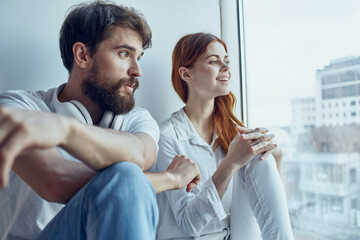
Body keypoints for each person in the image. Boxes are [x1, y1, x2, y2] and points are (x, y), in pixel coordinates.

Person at [0, 2, 201, 240]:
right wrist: (169, 179)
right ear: (83, 55)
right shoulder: (19, 107)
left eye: (139, 57)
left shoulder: (137, 119)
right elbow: (55, 180)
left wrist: (65, 131)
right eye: (124, 54)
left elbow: (139, 154)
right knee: (126, 175)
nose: (137, 70)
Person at [154, 33, 294, 240]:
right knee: (248, 152)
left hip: (236, 235)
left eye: (226, 61)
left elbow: (268, 208)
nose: (226, 68)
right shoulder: (166, 136)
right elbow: (189, 224)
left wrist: (277, 155)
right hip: (191, 237)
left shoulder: (232, 132)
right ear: (186, 74)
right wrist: (230, 163)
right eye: (214, 61)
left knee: (258, 156)